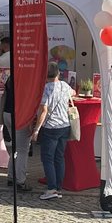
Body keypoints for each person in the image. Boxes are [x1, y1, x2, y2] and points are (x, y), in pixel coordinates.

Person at [31, 63, 74, 201]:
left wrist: (36, 130)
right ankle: (58, 188)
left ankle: (51, 188)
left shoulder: (45, 89)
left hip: (51, 127)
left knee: (47, 158)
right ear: (58, 73)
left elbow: (44, 111)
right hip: (64, 125)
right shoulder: (64, 85)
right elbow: (73, 93)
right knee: (59, 157)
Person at [2, 70, 34, 192]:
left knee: (15, 148)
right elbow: (27, 100)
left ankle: (11, 176)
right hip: (20, 115)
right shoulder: (27, 79)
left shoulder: (11, 77)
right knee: (22, 150)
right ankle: (20, 181)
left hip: (7, 113)